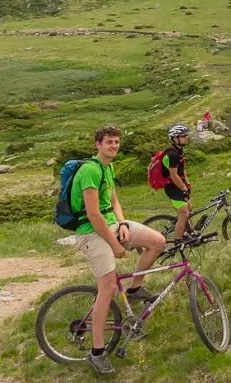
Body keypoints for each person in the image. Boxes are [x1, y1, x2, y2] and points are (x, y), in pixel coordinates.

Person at [72, 125, 166, 376]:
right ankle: (97, 352)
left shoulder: (108, 167)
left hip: (112, 224)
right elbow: (92, 214)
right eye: (109, 142)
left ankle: (135, 288)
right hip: (91, 232)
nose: (114, 146)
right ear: (97, 144)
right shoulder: (91, 170)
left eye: (117, 142)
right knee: (108, 289)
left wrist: (123, 224)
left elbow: (113, 201)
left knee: (157, 241)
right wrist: (114, 244)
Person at [163, 123, 193, 242]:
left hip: (180, 186)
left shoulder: (179, 151)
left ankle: (190, 234)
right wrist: (184, 189)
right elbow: (174, 175)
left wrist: (188, 185)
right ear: (175, 138)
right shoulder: (172, 154)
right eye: (183, 136)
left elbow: (182, 171)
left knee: (190, 209)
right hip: (173, 188)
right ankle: (178, 241)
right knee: (184, 213)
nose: (186, 137)